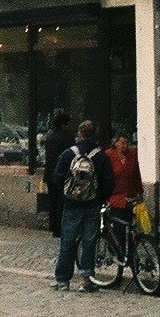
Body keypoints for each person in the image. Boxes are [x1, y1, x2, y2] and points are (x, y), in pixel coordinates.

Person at [54, 119, 114, 292]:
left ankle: (63, 280)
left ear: (79, 134)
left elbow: (57, 177)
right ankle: (86, 279)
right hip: (92, 204)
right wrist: (100, 198)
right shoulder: (101, 156)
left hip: (71, 203)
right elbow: (108, 182)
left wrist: (65, 195)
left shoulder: (68, 154)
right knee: (89, 241)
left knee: (68, 241)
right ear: (93, 134)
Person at [41, 110, 74, 239]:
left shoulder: (50, 136)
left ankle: (53, 226)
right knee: (62, 201)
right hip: (63, 173)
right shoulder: (67, 137)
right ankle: (60, 228)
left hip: (50, 173)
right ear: (64, 124)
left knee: (53, 201)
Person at [107, 133, 143, 212]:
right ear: (115, 143)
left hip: (129, 195)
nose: (126, 146)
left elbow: (136, 173)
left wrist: (140, 191)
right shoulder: (108, 155)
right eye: (123, 143)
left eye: (127, 143)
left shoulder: (132, 154)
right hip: (114, 197)